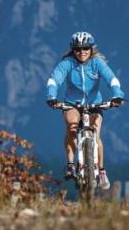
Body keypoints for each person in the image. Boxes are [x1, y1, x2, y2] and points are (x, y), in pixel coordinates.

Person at [46, 31, 125, 189]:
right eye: (78, 49)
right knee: (72, 127)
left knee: (95, 134)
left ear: (91, 49)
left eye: (85, 48)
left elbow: (112, 79)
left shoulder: (97, 63)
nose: (82, 52)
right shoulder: (67, 63)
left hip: (94, 104)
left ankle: (101, 171)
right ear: (73, 50)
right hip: (72, 104)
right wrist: (51, 97)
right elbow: (54, 79)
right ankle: (70, 164)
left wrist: (117, 95)